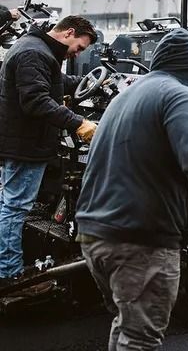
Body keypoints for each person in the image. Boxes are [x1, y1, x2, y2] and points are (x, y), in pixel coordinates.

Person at [76, 28, 188, 351]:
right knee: (140, 339)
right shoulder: (178, 94)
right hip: (139, 239)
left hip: (95, 235)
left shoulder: (125, 96)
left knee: (126, 324)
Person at [0, 16, 98, 287]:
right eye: (79, 47)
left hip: (21, 142)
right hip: (25, 145)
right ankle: (9, 275)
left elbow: (55, 82)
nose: (77, 53)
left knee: (9, 204)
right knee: (15, 207)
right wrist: (80, 123)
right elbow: (36, 100)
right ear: (69, 33)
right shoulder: (34, 52)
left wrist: (85, 82)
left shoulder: (35, 48)